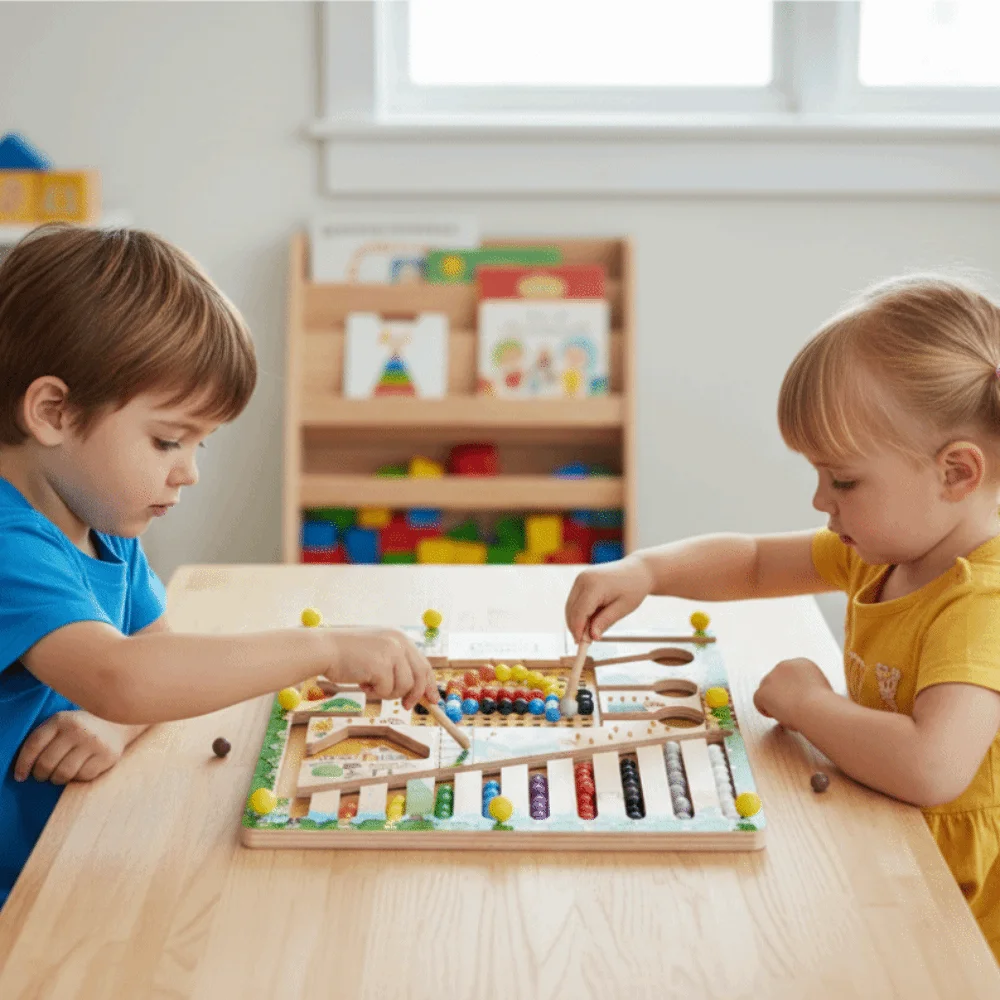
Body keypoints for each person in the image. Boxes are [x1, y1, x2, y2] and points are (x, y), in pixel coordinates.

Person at [0, 224, 437, 909]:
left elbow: (152, 655)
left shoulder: (96, 520)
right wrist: (321, 648)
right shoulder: (8, 542)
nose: (190, 472)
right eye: (168, 439)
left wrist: (114, 724)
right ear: (53, 411)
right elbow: (121, 676)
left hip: (48, 864)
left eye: (200, 444)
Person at [566, 274, 1000, 962]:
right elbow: (753, 562)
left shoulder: (981, 601)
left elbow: (931, 767)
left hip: (954, 912)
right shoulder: (887, 551)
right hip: (887, 854)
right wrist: (647, 571)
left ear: (955, 473)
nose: (820, 500)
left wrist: (808, 705)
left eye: (844, 480)